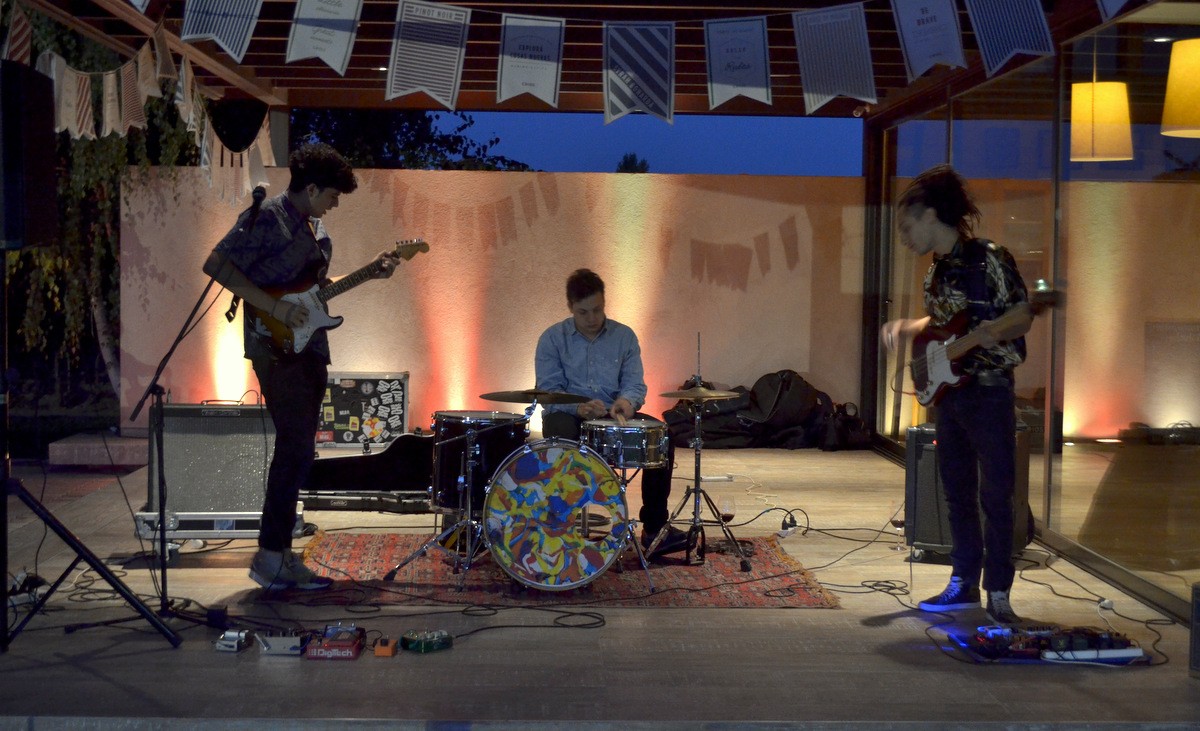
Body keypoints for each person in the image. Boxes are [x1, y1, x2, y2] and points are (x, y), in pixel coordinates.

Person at [203, 143, 404, 591]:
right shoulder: (266, 218)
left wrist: (369, 272)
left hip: (309, 346)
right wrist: (274, 307)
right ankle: (270, 557)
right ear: (311, 188)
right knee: (293, 447)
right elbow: (216, 263)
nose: (335, 204)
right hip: (275, 348)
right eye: (332, 195)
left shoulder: (314, 229)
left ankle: (278, 554)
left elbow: (313, 291)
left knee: (299, 451)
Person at [880, 164, 1032, 625]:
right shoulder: (937, 270)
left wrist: (983, 336)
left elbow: (1022, 315)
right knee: (956, 493)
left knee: (997, 494)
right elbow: (945, 324)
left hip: (989, 392)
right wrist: (911, 327)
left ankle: (998, 591)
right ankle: (963, 581)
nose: (904, 238)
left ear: (930, 215)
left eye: (907, 226)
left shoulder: (990, 259)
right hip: (951, 397)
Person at [535, 268, 689, 558]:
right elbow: (548, 392)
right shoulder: (552, 338)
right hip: (569, 415)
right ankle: (568, 525)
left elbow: (634, 384)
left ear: (604, 302)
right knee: (561, 434)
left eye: (597, 309)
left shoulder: (624, 336)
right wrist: (578, 407)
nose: (592, 318)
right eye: (583, 312)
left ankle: (655, 529)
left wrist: (627, 402)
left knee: (662, 438)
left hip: (611, 413)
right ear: (570, 307)